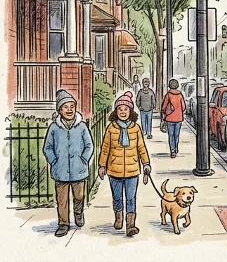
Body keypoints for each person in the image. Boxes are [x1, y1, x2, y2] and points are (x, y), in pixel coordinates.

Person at [98, 91, 151, 237]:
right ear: (116, 112)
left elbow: (141, 147)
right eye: (120, 109)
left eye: (125, 109)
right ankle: (118, 217)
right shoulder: (111, 128)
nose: (122, 112)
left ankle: (130, 225)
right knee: (117, 197)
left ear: (130, 111)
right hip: (114, 169)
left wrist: (146, 163)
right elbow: (105, 148)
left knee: (130, 198)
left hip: (133, 170)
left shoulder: (136, 128)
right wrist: (102, 165)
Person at [42, 89, 94, 237]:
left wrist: (84, 159)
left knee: (79, 196)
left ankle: (78, 212)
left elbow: (89, 145)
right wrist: (54, 161)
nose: (69, 110)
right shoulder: (54, 127)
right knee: (62, 200)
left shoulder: (82, 126)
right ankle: (63, 224)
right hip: (60, 171)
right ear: (60, 110)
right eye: (65, 107)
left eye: (72, 106)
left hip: (79, 170)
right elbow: (47, 147)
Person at [161, 79, 187, 158]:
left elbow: (164, 107)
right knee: (176, 135)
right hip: (178, 118)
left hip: (169, 118)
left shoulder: (168, 95)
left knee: (171, 135)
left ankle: (172, 150)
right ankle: (176, 147)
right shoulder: (180, 95)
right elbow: (183, 107)